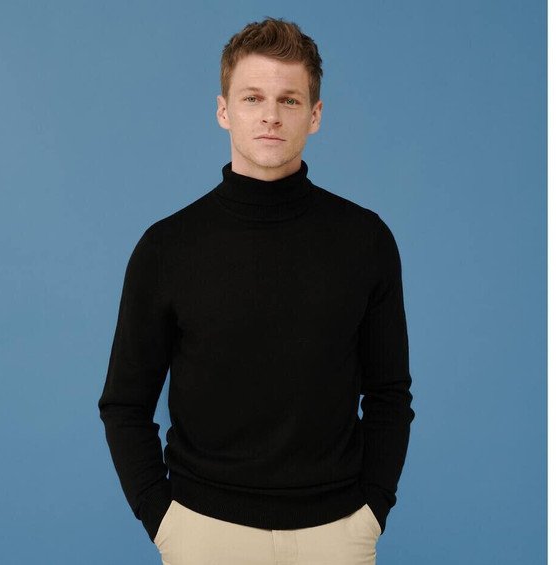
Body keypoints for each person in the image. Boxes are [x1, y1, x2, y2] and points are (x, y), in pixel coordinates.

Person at [98, 17, 415, 565]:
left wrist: (372, 511)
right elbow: (124, 403)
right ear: (224, 110)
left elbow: (390, 394)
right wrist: (164, 520)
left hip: (337, 532)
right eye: (252, 98)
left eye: (289, 100)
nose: (271, 115)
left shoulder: (366, 240)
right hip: (203, 532)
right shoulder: (166, 247)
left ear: (315, 115)